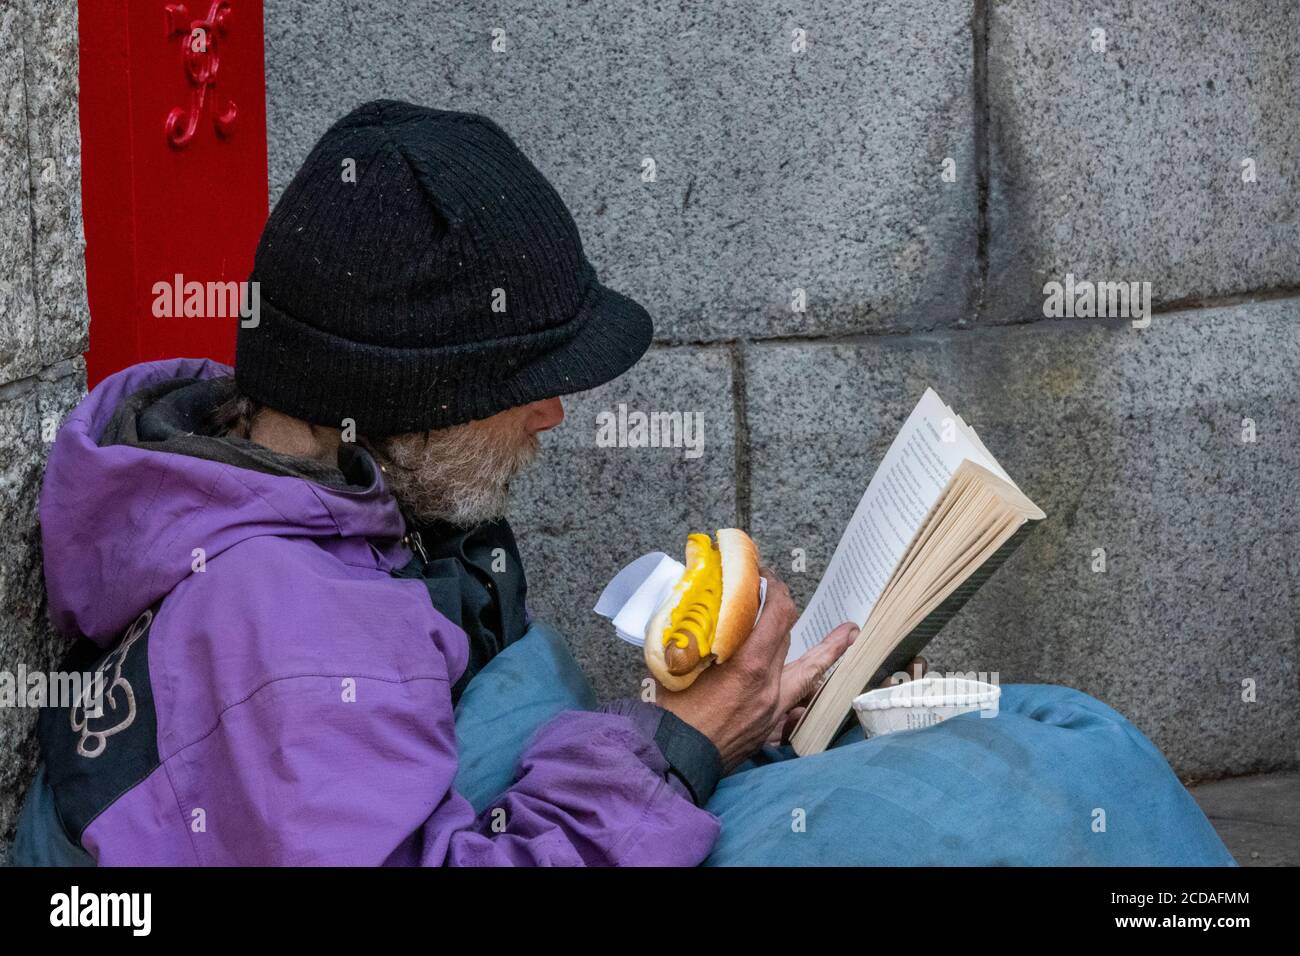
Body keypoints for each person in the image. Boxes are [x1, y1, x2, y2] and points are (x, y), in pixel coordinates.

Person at [12, 102, 1232, 866]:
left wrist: (721, 728)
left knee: (1026, 735)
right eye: (526, 380)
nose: (555, 410)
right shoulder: (278, 629)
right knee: (1060, 775)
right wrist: (678, 745)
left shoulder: (290, 494)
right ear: (407, 401)